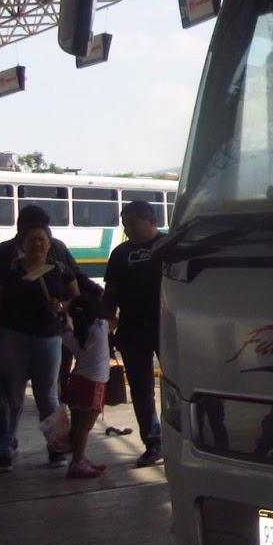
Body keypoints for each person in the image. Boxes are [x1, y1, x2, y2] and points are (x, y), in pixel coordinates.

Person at [0, 204, 83, 463]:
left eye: (42, 239)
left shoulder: (60, 268)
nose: (38, 244)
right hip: (12, 338)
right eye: (32, 239)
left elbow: (77, 299)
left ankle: (56, 446)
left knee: (48, 395)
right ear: (22, 241)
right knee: (13, 394)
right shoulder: (6, 269)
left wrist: (62, 306)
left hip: (49, 339)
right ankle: (6, 447)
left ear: (49, 242)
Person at [104, 200, 163, 467]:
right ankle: (153, 442)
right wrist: (106, 325)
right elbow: (111, 293)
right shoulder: (120, 253)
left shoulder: (169, 246)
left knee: (178, 384)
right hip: (132, 330)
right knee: (141, 389)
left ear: (152, 222)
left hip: (166, 327)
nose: (128, 230)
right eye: (125, 225)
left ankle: (183, 436)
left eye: (133, 224)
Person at [60, 291, 111, 479]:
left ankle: (78, 459)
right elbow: (112, 316)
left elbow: (66, 326)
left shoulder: (71, 336)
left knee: (77, 424)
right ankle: (78, 461)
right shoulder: (101, 327)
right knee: (85, 427)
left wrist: (61, 310)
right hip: (94, 383)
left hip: (77, 380)